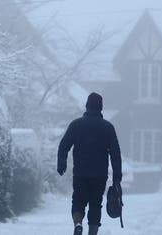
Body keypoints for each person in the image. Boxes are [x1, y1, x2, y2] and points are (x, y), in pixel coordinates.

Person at [57, 92, 122, 235]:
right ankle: (92, 232)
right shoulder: (108, 128)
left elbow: (64, 145)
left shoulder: (76, 125)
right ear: (101, 108)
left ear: (87, 106)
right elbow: (115, 153)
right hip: (99, 175)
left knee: (78, 201)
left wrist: (61, 162)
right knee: (95, 204)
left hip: (80, 173)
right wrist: (117, 176)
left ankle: (78, 224)